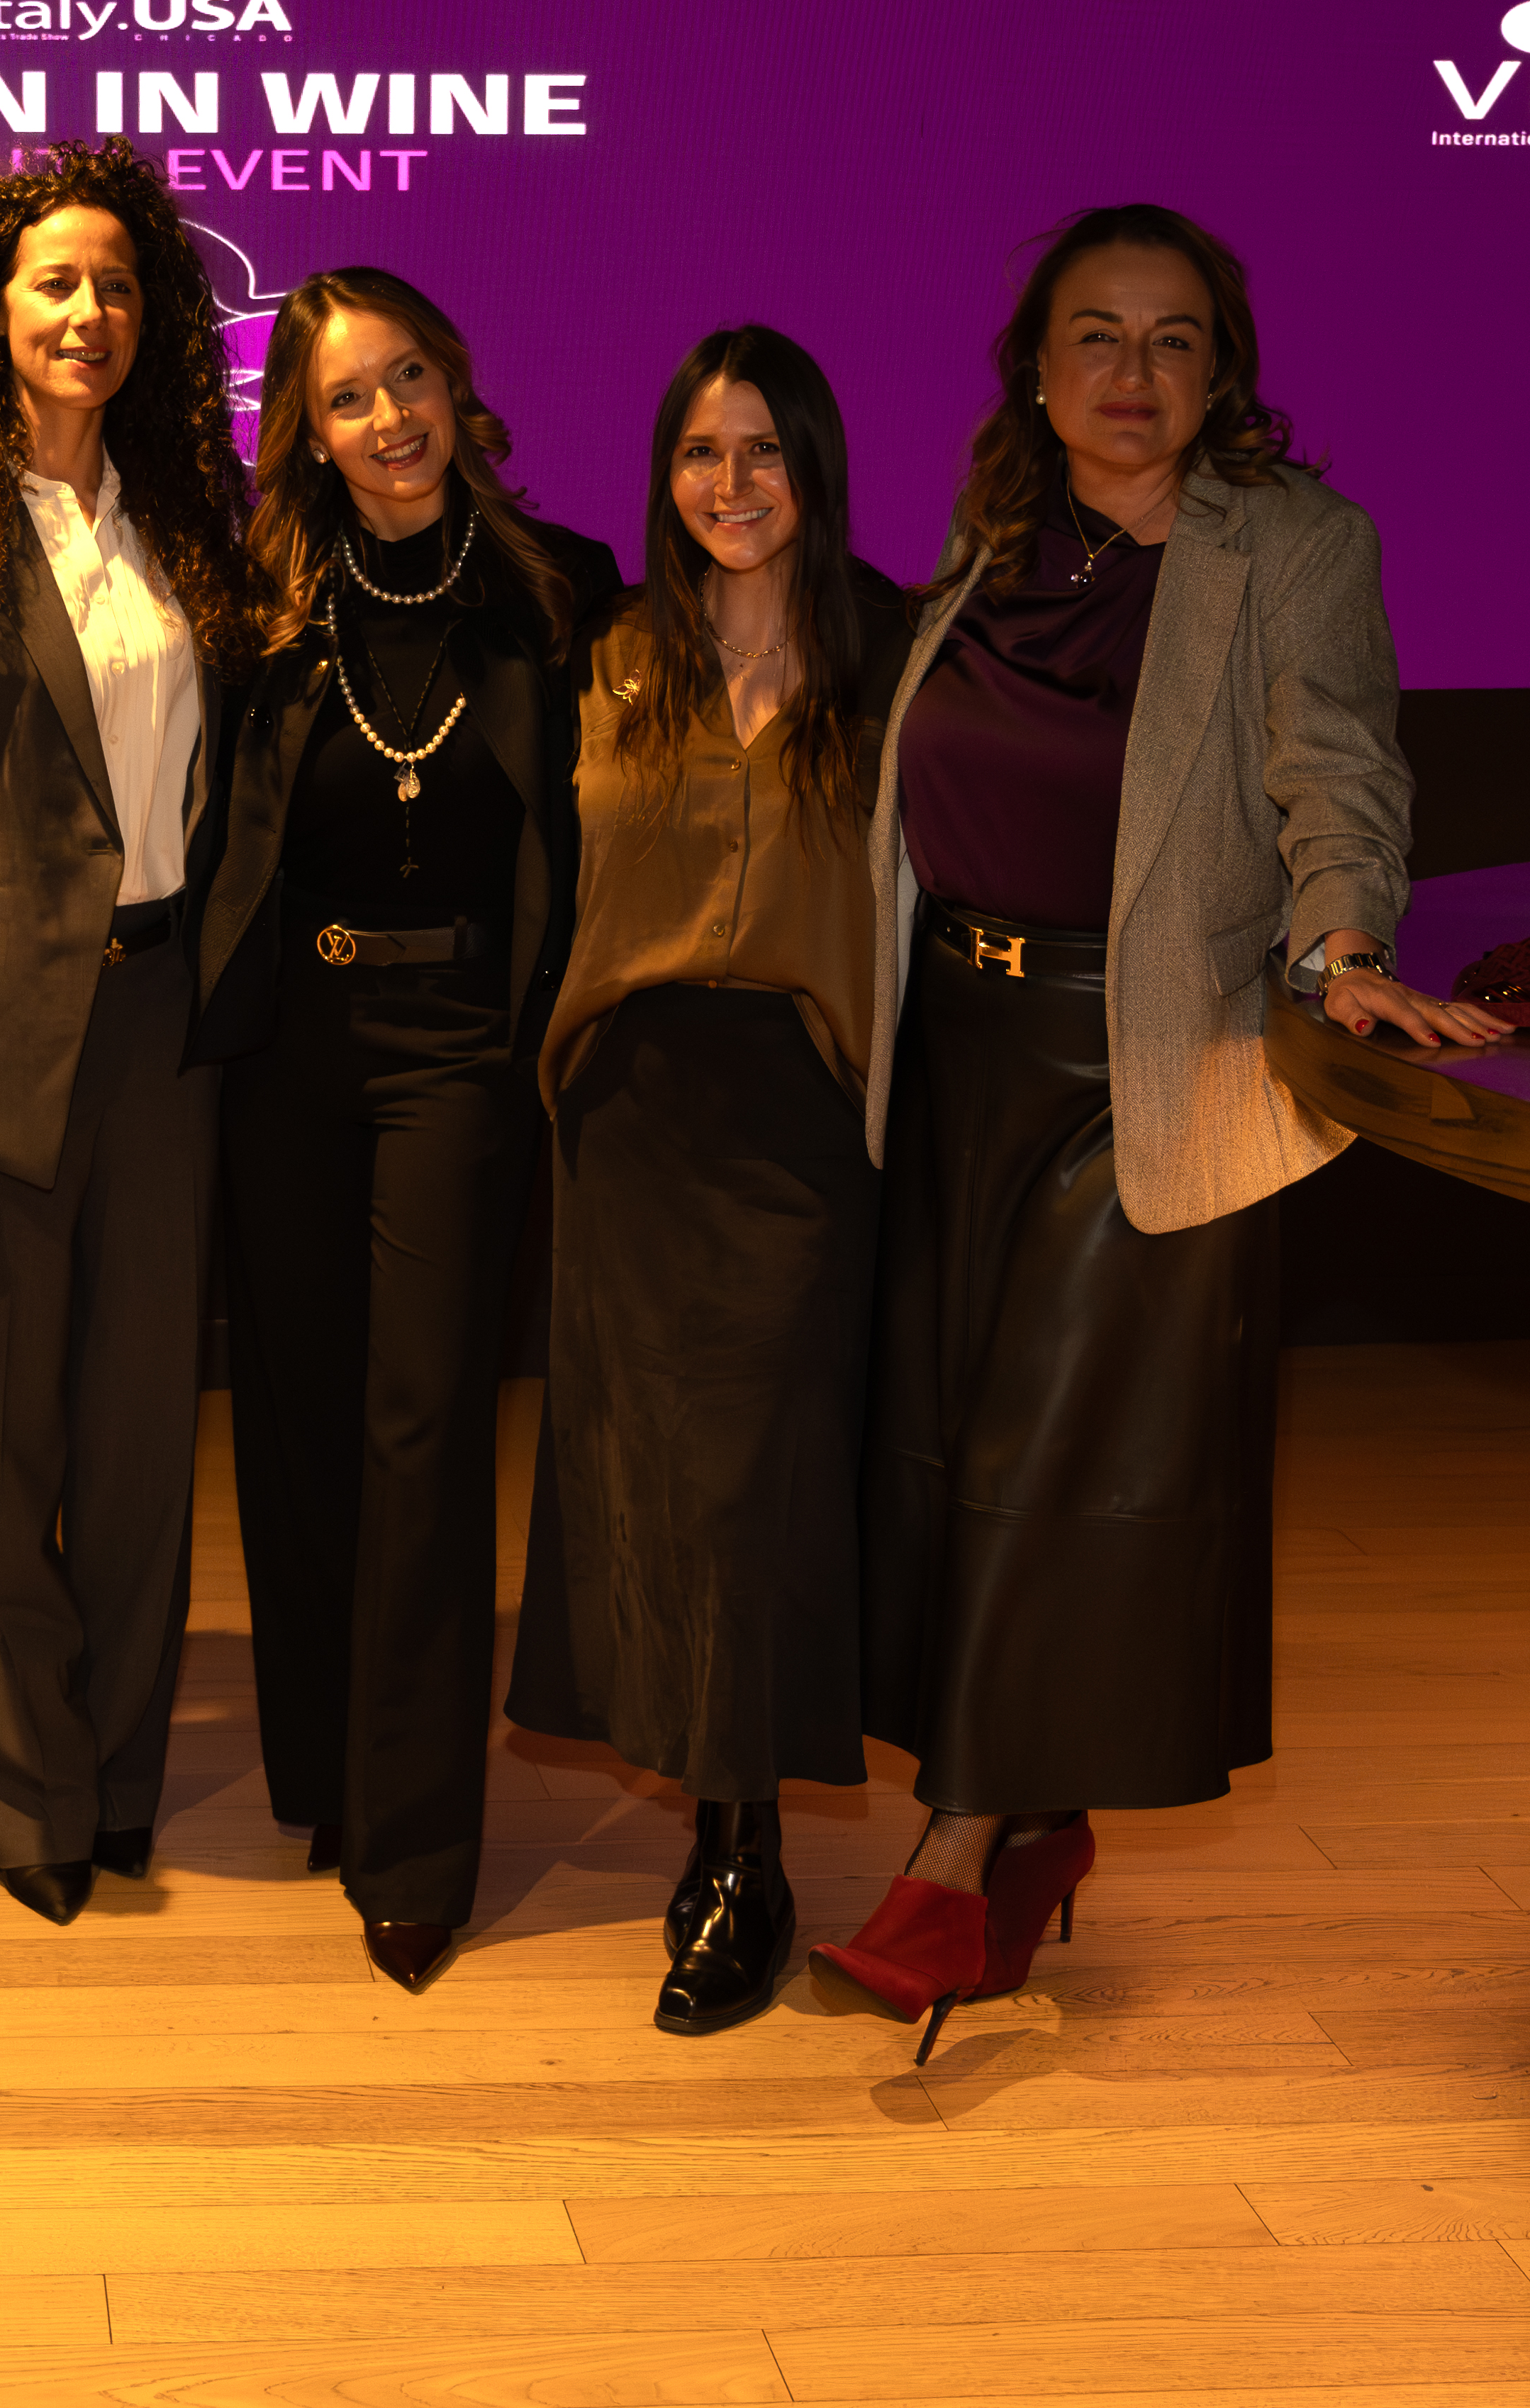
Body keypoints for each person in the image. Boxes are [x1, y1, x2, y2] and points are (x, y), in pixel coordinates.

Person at [825, 203, 1510, 2057]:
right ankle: (1040, 1817)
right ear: (1035, 372)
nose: (1136, 377)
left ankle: (964, 1849)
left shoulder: (1294, 545)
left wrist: (1344, 939)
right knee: (964, 1453)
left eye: (1177, 340)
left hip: (1149, 1064)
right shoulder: (989, 549)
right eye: (1099, 339)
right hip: (952, 1059)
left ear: (1226, 374)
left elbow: (1341, 773)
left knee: (1056, 1458)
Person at [0, 141, 266, 1925]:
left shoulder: (193, 523)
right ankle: (27, 1802)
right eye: (51, 284)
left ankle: (116, 1777)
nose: (87, 313)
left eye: (113, 284)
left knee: (136, 1439)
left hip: (171, 1026)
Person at [193, 268, 614, 1992]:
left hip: (462, 1048)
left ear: (460, 384)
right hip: (291, 1047)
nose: (389, 417)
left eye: (413, 376)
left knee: (423, 1429)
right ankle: (329, 1772)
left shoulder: (558, 587)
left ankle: (421, 1841)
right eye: (349, 394)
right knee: (297, 1420)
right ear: (305, 424)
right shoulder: (259, 598)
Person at [506, 325, 909, 2035]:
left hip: (801, 1116)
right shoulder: (607, 657)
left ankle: (743, 1842)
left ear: (813, 466)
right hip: (628, 1117)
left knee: (758, 1485)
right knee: (653, 1485)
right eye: (698, 453)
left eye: (762, 451)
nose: (730, 486)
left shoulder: (899, 657)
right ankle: (721, 1830)